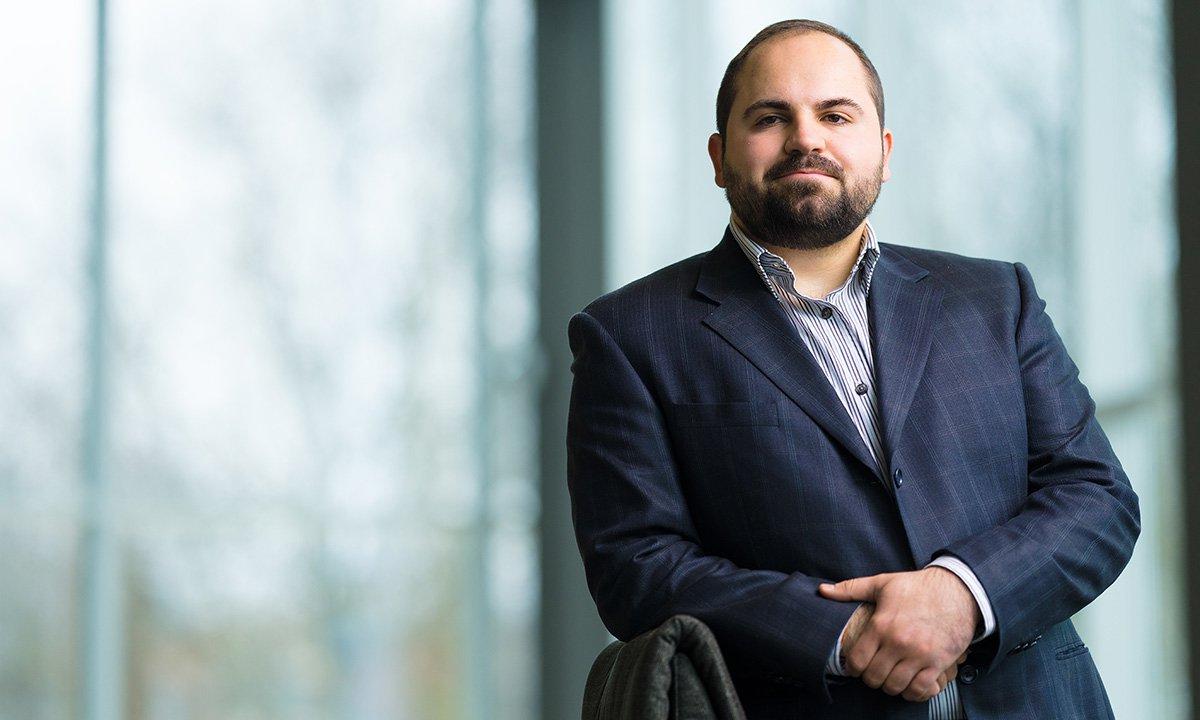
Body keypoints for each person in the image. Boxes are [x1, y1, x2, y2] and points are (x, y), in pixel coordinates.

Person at [564, 18, 1140, 720]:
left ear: (884, 150)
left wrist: (962, 595)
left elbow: (1097, 496)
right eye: (771, 118)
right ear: (718, 159)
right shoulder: (629, 336)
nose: (807, 137)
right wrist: (848, 633)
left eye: (836, 114)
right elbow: (637, 566)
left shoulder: (996, 299)